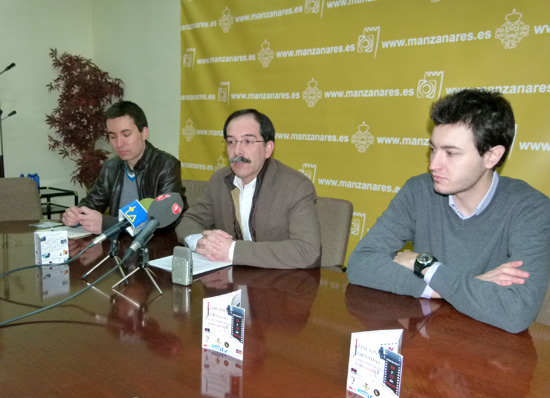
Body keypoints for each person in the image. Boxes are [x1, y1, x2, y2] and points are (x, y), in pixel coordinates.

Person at [347, 89, 550, 333]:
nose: (433, 165)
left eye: (451, 153)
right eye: (433, 149)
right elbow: (360, 264)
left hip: (487, 346)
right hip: (423, 338)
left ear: (491, 156)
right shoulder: (418, 190)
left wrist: (423, 265)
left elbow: (516, 312)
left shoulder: (531, 209)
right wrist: (464, 285)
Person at [176, 108, 321, 269]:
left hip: (279, 280)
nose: (237, 151)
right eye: (231, 142)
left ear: (268, 149)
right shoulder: (220, 180)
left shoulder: (295, 187)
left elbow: (308, 251)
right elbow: (189, 220)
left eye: (247, 141)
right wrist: (201, 242)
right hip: (231, 278)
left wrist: (232, 250)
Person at [62, 101, 187, 234]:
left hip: (152, 244)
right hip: (116, 243)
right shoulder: (111, 167)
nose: (119, 144)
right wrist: (77, 214)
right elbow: (92, 203)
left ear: (144, 133)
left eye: (126, 135)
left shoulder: (166, 165)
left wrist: (107, 224)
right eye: (113, 137)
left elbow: (166, 220)